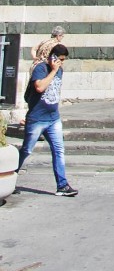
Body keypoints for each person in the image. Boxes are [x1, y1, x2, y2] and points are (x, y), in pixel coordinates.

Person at [17, 44, 78, 197]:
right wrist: (54, 70)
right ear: (53, 57)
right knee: (26, 150)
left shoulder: (60, 71)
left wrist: (58, 70)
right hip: (37, 119)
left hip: (53, 119)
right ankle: (8, 176)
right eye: (61, 59)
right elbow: (39, 87)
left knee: (58, 150)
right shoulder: (41, 69)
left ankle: (62, 185)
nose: (62, 63)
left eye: (63, 60)